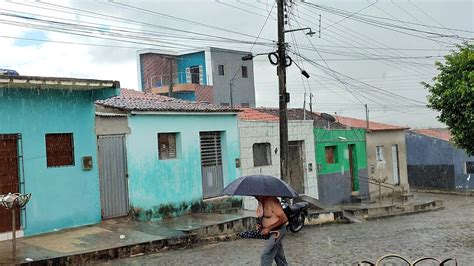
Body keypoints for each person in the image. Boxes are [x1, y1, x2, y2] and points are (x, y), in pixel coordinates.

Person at [255, 196, 289, 266]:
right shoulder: (261, 203)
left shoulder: (271, 201)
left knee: (266, 254)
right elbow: (266, 217)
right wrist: (260, 225)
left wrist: (268, 228)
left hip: (278, 232)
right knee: (279, 256)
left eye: (256, 195)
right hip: (272, 232)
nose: (255, 197)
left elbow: (284, 218)